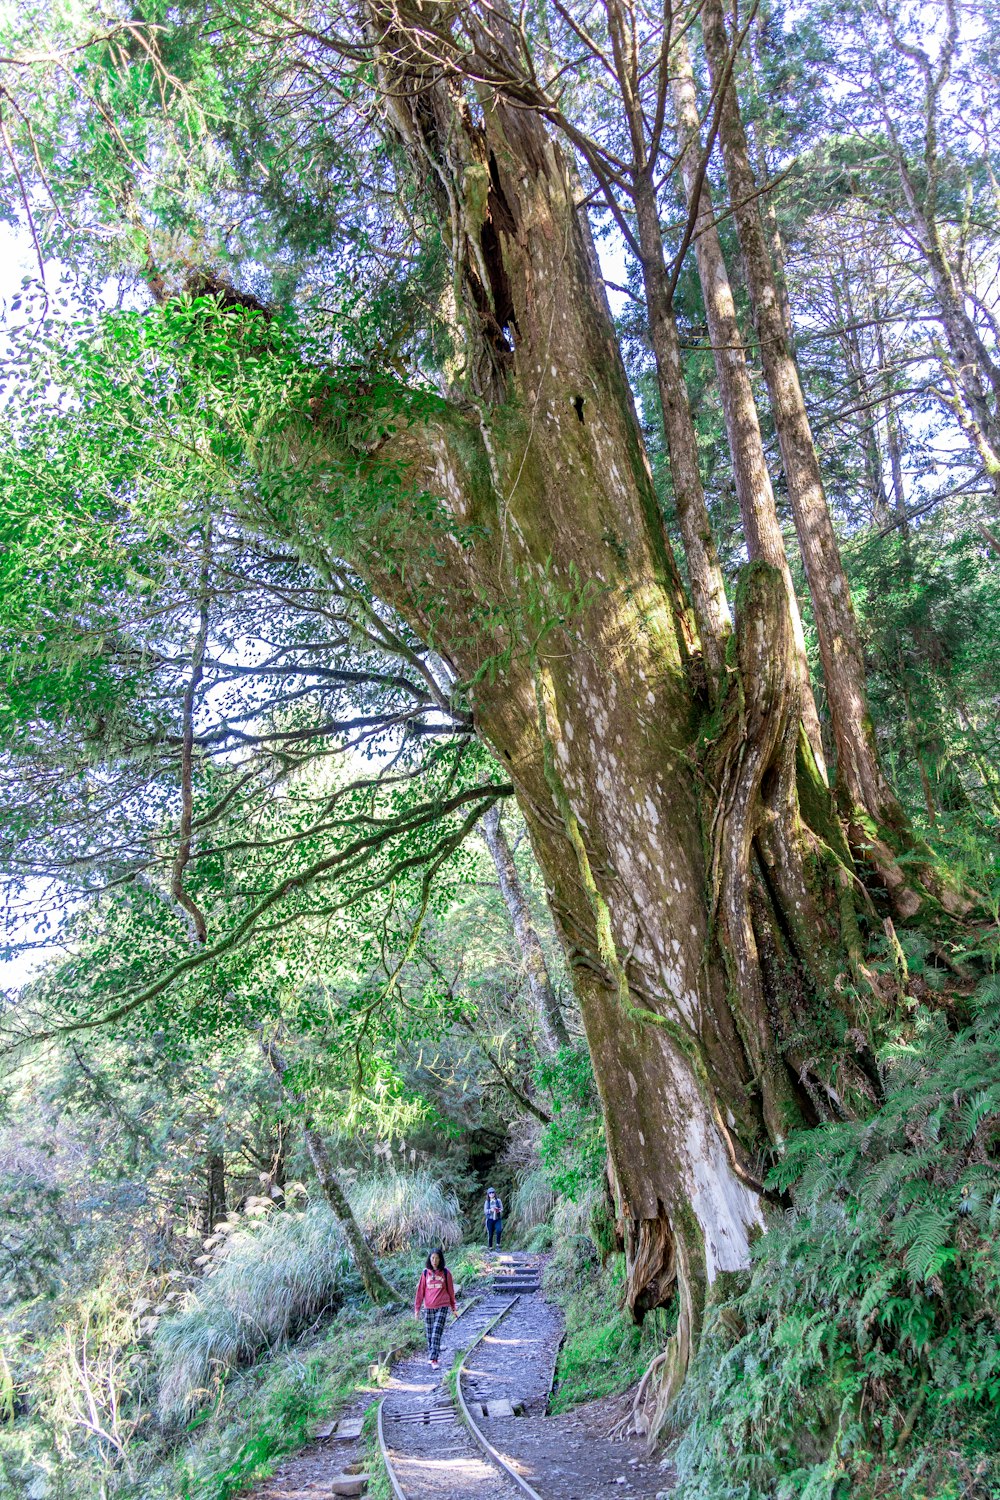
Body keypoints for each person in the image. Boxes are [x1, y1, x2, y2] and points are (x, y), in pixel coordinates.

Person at [413, 1246, 457, 1370]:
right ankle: (433, 1353)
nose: (434, 1261)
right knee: (429, 1334)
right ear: (429, 1259)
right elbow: (420, 1292)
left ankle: (434, 1359)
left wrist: (454, 1308)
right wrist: (417, 1309)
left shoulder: (446, 1273)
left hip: (442, 1305)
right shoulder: (425, 1273)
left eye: (437, 1258)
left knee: (436, 1331)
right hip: (429, 1307)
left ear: (440, 1259)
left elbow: (451, 1291)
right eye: (432, 1258)